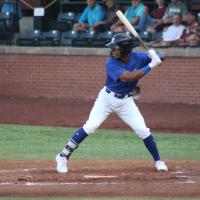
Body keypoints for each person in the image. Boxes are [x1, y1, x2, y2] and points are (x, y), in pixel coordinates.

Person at [56, 33, 168, 173]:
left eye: (116, 48)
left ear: (125, 50)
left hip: (127, 102)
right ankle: (62, 157)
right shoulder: (111, 62)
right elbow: (128, 77)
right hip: (107, 99)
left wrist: (156, 54)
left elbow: (163, 54)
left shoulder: (139, 58)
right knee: (90, 126)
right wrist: (152, 64)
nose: (112, 51)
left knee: (143, 130)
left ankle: (158, 161)